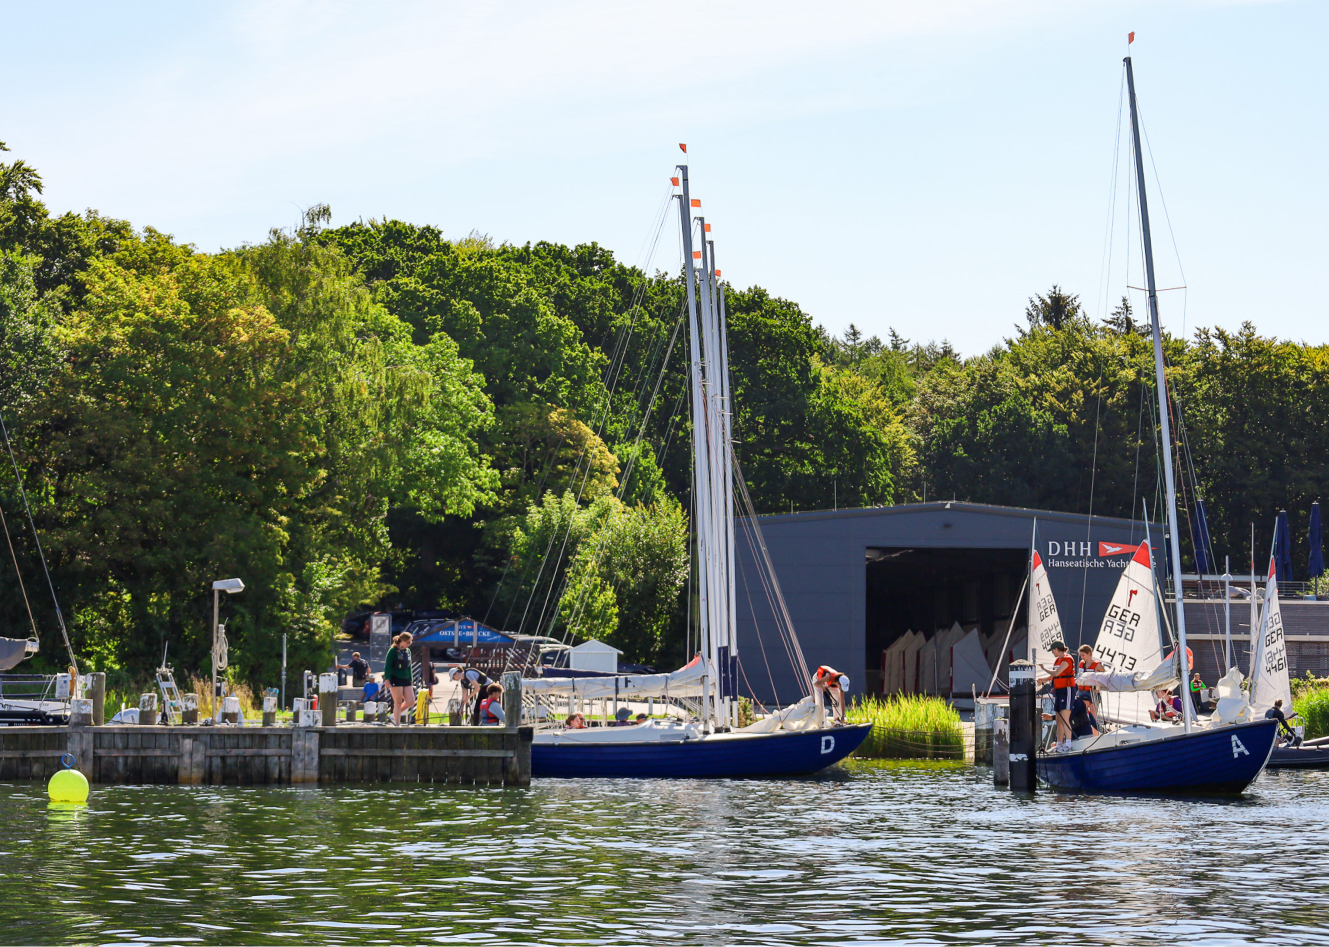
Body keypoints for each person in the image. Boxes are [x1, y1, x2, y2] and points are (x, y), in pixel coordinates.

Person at [1037, 641, 1076, 751]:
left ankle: (1068, 743)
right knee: (1058, 720)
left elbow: (1057, 673)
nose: (1053, 653)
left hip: (1067, 690)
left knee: (1065, 718)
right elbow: (1052, 677)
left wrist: (1043, 668)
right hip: (1058, 691)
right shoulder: (1058, 660)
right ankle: (1059, 744)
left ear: (1056, 649)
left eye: (1053, 650)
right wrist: (1042, 680)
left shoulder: (1067, 659)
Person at [384, 632, 416, 726]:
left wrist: (411, 679)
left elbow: (409, 666)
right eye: (408, 642)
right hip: (395, 678)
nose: (409, 644)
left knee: (411, 701)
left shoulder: (407, 651)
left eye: (410, 642)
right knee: (398, 702)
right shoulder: (393, 650)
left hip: (406, 678)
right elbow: (387, 666)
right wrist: (387, 679)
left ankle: (394, 715)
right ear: (402, 641)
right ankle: (397, 724)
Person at [1076, 645, 1102, 736]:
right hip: (1082, 692)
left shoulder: (1097, 665)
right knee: (1083, 715)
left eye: (1083, 655)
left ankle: (1095, 736)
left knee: (1093, 717)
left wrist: (1098, 687)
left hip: (1093, 693)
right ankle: (1086, 735)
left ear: (1089, 654)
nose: (1082, 657)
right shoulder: (1081, 664)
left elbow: (1105, 677)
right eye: (1081, 655)